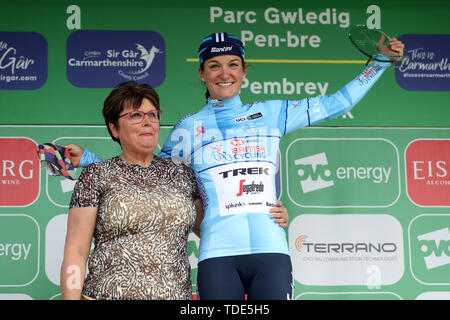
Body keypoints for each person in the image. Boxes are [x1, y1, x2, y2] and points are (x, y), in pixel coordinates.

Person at [75, 32, 405, 300]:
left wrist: (378, 62)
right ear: (202, 73)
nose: (225, 73)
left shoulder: (272, 113)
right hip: (218, 256)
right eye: (214, 66)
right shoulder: (189, 128)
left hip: (271, 252)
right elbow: (151, 176)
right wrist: (89, 162)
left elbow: (337, 104)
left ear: (245, 71)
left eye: (233, 64)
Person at [60, 82, 203, 300]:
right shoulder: (96, 175)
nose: (148, 122)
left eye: (153, 115)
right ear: (114, 128)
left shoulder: (183, 174)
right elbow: (76, 252)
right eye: (136, 115)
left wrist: (269, 217)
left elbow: (212, 231)